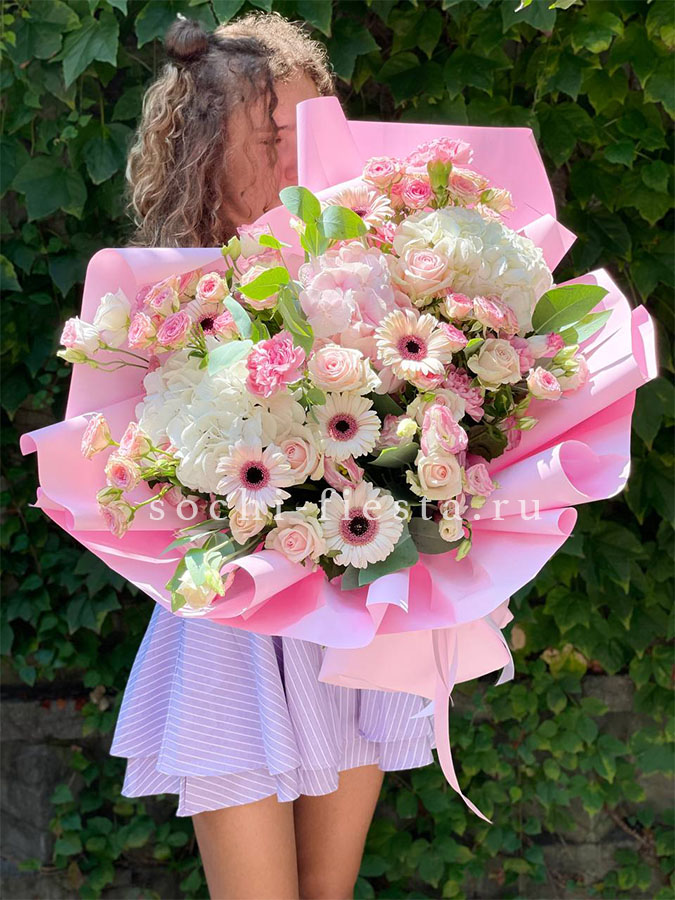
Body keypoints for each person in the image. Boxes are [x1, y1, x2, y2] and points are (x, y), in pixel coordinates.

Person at [112, 13, 435, 900]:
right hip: (231, 631)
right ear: (206, 153)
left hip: (348, 610)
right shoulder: (162, 301)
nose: (305, 157)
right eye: (275, 137)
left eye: (318, 130)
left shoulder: (377, 273)